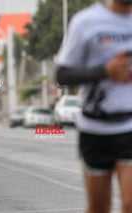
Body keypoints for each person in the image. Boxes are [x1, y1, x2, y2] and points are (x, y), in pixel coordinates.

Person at [55, 1, 132, 212]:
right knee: (99, 207)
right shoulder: (85, 22)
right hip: (95, 129)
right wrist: (104, 71)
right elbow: (62, 75)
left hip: (129, 126)